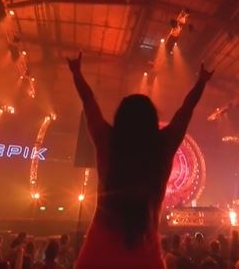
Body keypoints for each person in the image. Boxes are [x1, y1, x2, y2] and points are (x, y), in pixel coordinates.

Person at [67, 51, 213, 269]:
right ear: (153, 121)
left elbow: (89, 103)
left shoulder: (107, 141)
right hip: (145, 257)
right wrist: (201, 82)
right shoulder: (163, 147)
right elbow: (186, 111)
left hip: (97, 256)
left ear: (121, 119)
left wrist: (76, 73)